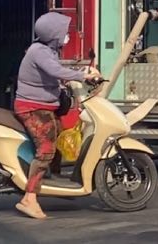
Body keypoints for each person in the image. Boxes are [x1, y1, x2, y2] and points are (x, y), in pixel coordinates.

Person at [13, 12, 101, 219]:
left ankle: (54, 181)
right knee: (46, 149)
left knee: (61, 135)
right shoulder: (39, 52)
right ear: (54, 34)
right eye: (64, 32)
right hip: (33, 108)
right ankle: (29, 198)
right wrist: (83, 75)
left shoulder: (47, 50)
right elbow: (55, 71)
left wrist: (80, 71)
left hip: (45, 105)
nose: (67, 35)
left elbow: (58, 69)